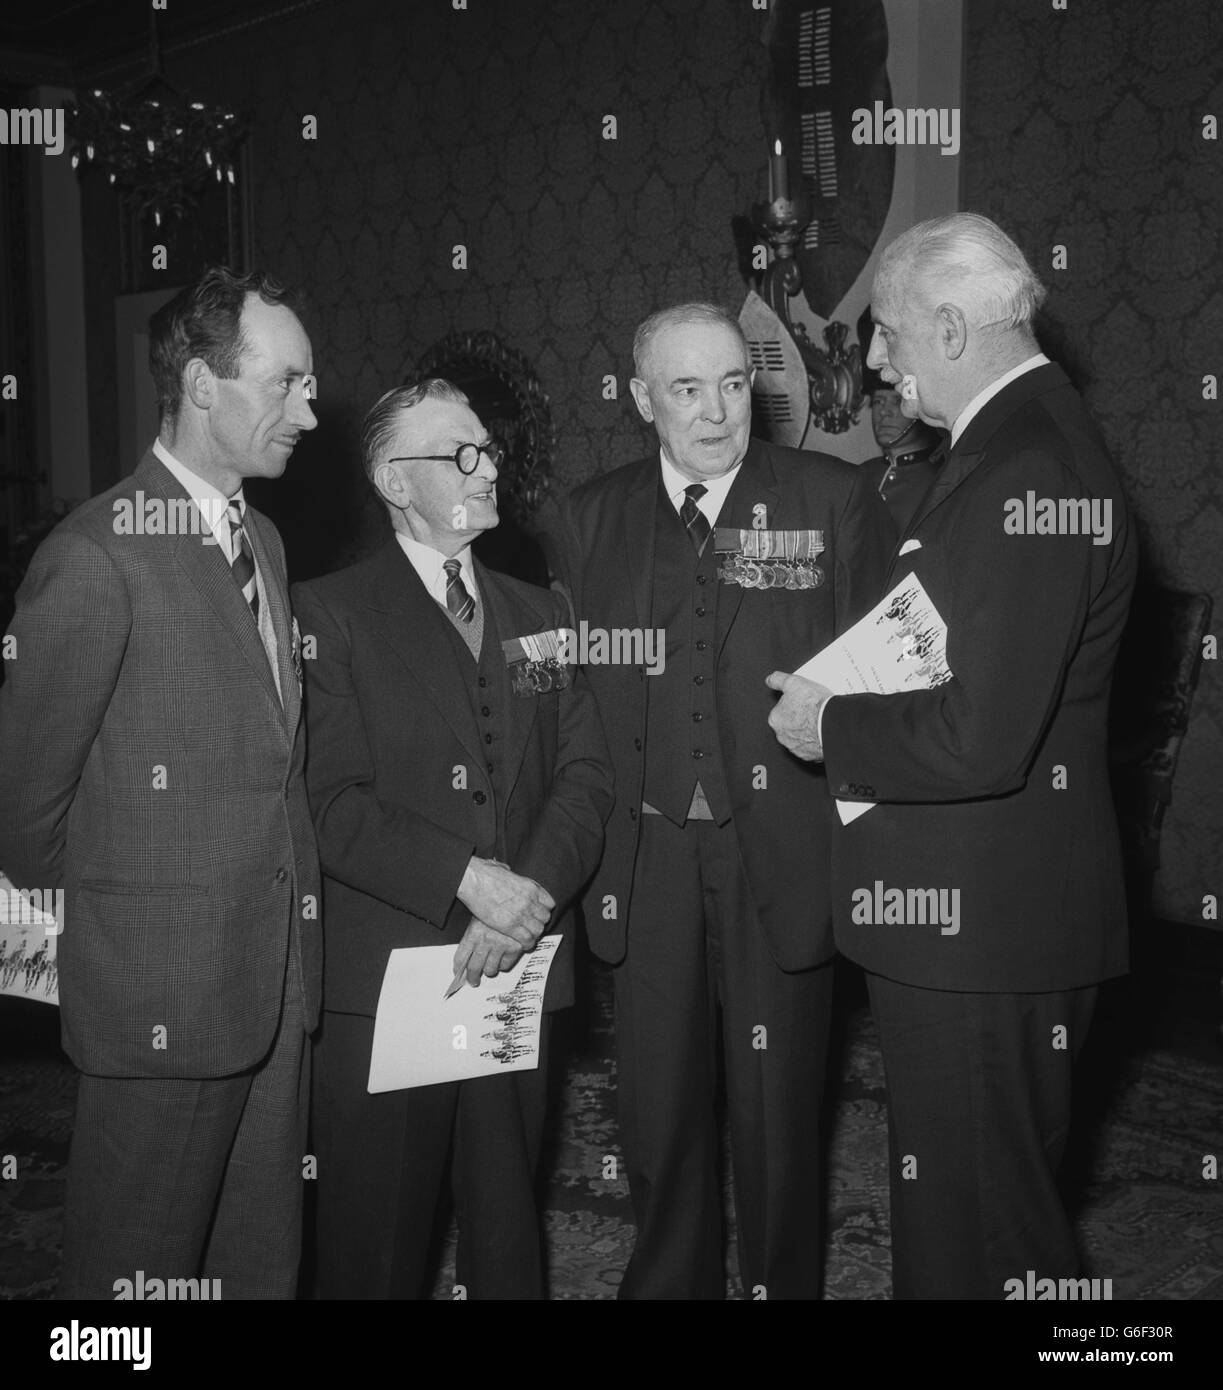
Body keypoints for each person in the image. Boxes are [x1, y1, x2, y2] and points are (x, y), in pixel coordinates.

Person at [767, 213, 1137, 1299]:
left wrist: (824, 725)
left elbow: (979, 731)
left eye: (884, 332)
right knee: (975, 1227)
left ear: (944, 323)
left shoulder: (1022, 463)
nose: (876, 360)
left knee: (980, 1247)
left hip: (981, 932)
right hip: (985, 924)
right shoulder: (1020, 447)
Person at [553, 302, 893, 1299]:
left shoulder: (832, 499)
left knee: (778, 1116)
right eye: (688, 388)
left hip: (778, 855)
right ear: (639, 398)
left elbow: (882, 685)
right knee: (656, 1113)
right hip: (645, 858)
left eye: (734, 384)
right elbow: (567, 696)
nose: (715, 411)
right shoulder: (586, 518)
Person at [0, 266, 322, 1298]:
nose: (309, 412)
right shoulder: (94, 556)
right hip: (160, 1006)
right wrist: (122, 952)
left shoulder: (263, 539)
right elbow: (24, 812)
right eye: (285, 383)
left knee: (253, 1269)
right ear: (198, 383)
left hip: (274, 985)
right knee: (128, 1285)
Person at [294, 379, 612, 1300]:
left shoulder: (542, 617)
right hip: (389, 982)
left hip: (516, 963)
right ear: (396, 480)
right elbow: (331, 802)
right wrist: (470, 881)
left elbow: (586, 779)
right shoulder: (327, 615)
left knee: (507, 1228)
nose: (487, 468)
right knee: (376, 1243)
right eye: (459, 454)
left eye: (488, 449)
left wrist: (526, 901)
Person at [856, 304, 946, 533]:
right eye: (877, 402)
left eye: (896, 401)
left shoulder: (941, 482)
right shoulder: (859, 476)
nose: (883, 412)